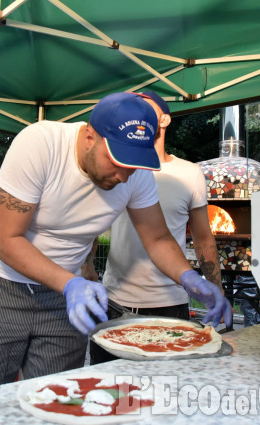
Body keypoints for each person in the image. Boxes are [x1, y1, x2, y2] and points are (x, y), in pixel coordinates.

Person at [0, 92, 232, 393]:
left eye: (132, 165)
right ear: (89, 136)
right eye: (115, 161)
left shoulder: (134, 175)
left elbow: (157, 238)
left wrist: (189, 276)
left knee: (58, 397)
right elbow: (6, 239)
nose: (123, 177)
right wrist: (71, 283)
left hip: (65, 298)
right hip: (0, 286)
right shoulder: (40, 144)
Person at [89, 91, 228, 364]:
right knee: (106, 391)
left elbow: (203, 238)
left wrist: (215, 289)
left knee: (164, 395)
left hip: (170, 302)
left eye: (145, 107)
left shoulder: (190, 173)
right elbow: (93, 224)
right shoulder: (114, 166)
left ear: (164, 119)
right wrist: (86, 271)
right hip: (116, 300)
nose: (137, 114)